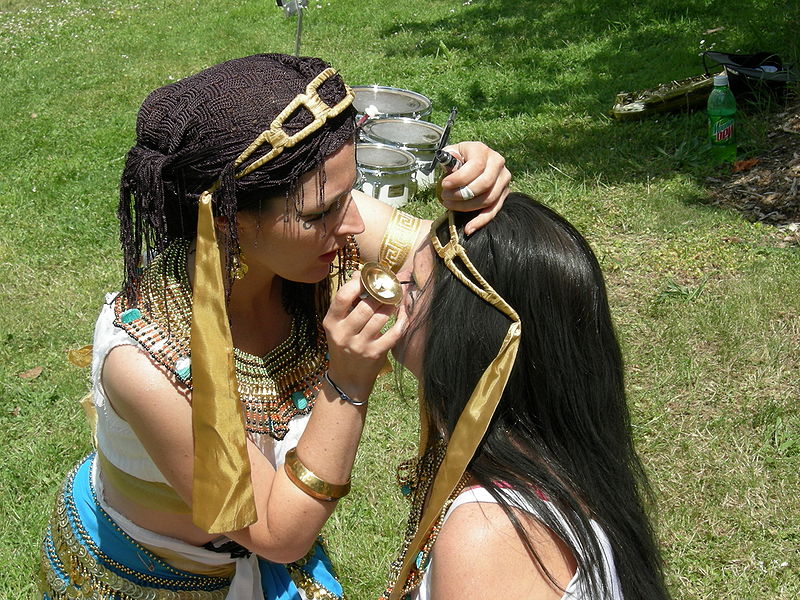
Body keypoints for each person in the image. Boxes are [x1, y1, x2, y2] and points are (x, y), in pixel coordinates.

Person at [37, 53, 510, 600]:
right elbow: (276, 533)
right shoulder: (144, 360)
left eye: (350, 193)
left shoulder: (314, 244)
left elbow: (436, 265)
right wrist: (346, 384)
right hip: (152, 578)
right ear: (229, 221)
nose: (355, 224)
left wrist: (473, 193)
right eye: (319, 214)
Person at [382, 193, 671, 600]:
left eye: (412, 286)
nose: (395, 288)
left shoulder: (488, 534)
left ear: (468, 335)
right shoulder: (561, 462)